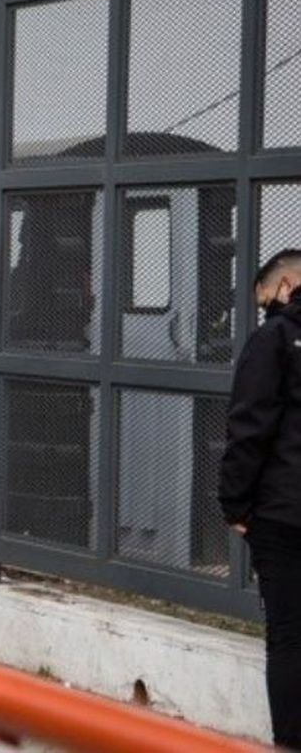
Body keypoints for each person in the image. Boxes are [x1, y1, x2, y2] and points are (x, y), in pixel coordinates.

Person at [220, 248, 301, 749]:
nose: (267, 308)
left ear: (288, 285)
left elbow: (249, 429)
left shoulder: (273, 339)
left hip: (283, 510)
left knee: (290, 635)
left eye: (267, 299)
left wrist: (235, 506)